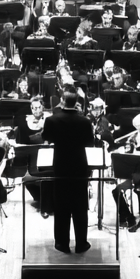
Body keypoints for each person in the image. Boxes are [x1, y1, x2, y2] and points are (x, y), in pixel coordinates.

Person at [43, 90, 95, 254]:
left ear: (62, 101)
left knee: (61, 207)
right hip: (80, 168)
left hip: (60, 167)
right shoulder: (85, 121)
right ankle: (81, 243)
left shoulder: (52, 120)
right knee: (80, 207)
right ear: (76, 102)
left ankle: (62, 243)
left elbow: (46, 137)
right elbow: (89, 142)